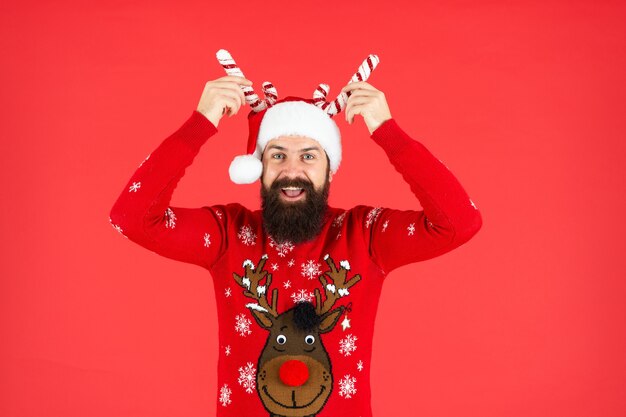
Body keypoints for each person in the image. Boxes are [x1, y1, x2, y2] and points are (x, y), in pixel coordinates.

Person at [110, 74, 482, 417]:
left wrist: (389, 133)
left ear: (330, 168)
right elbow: (131, 217)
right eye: (277, 155)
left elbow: (459, 222)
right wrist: (200, 124)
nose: (292, 171)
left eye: (308, 156)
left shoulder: (366, 234)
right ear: (259, 166)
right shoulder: (227, 233)